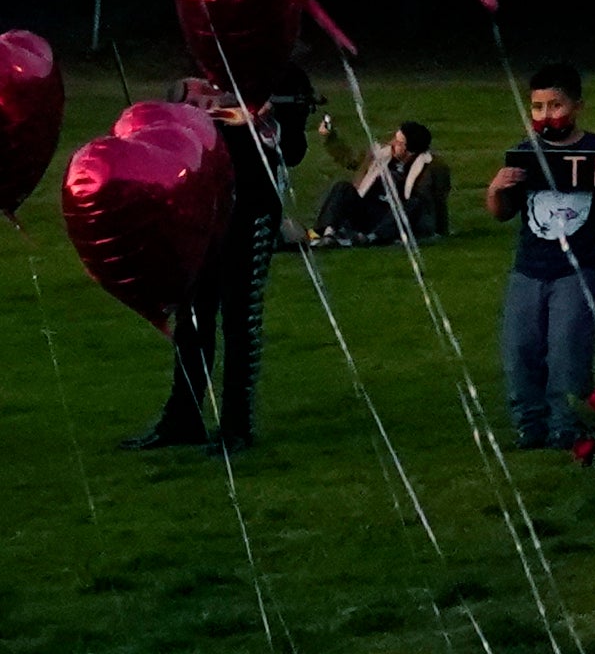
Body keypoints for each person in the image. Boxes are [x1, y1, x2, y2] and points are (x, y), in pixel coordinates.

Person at [127, 57, 311, 453]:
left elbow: (293, 149)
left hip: (250, 209)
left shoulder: (281, 74)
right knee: (192, 318)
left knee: (240, 321)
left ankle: (235, 426)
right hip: (202, 210)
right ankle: (183, 418)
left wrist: (265, 120)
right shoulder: (208, 67)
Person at [486, 64, 595, 451]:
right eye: (538, 107)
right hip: (528, 268)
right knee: (520, 348)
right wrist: (495, 190)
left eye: (555, 105)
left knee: (569, 348)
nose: (546, 115)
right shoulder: (526, 154)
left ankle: (568, 423)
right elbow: (502, 212)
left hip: (578, 270)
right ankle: (529, 422)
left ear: (577, 105)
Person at [310, 117, 446, 247]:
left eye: (399, 143)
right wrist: (330, 138)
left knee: (415, 203)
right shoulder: (380, 155)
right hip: (367, 210)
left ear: (410, 151)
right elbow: (350, 159)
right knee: (342, 187)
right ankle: (328, 233)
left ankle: (373, 238)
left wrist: (440, 230)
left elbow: (437, 200)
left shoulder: (431, 167)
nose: (392, 143)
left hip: (394, 217)